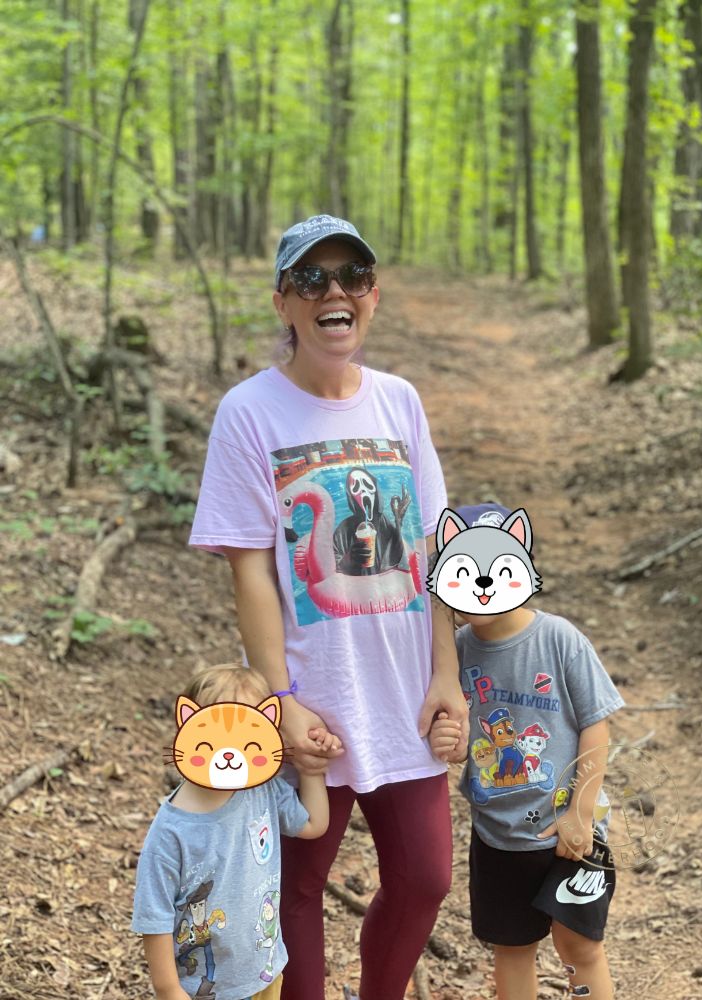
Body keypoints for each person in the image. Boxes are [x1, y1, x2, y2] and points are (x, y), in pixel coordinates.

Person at [188, 215, 468, 1000]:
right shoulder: (249, 414)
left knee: (424, 879)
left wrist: (449, 677)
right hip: (313, 698)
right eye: (311, 280)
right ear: (284, 303)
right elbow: (250, 572)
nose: (333, 292)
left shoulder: (400, 402)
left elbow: (436, 550)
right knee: (296, 887)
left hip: (406, 696)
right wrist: (278, 701)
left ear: (373, 298)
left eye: (351, 277)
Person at [430, 503, 624, 1000]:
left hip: (570, 830)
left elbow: (596, 726)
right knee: (512, 948)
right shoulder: (456, 651)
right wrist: (446, 742)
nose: (480, 586)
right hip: (498, 834)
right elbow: (451, 735)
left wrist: (580, 811)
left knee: (578, 944)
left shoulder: (559, 638)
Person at [131, 664, 330, 1000]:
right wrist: (168, 989)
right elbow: (154, 916)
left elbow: (312, 824)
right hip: (204, 989)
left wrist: (310, 768)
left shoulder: (262, 790)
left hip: (265, 971)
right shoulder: (172, 831)